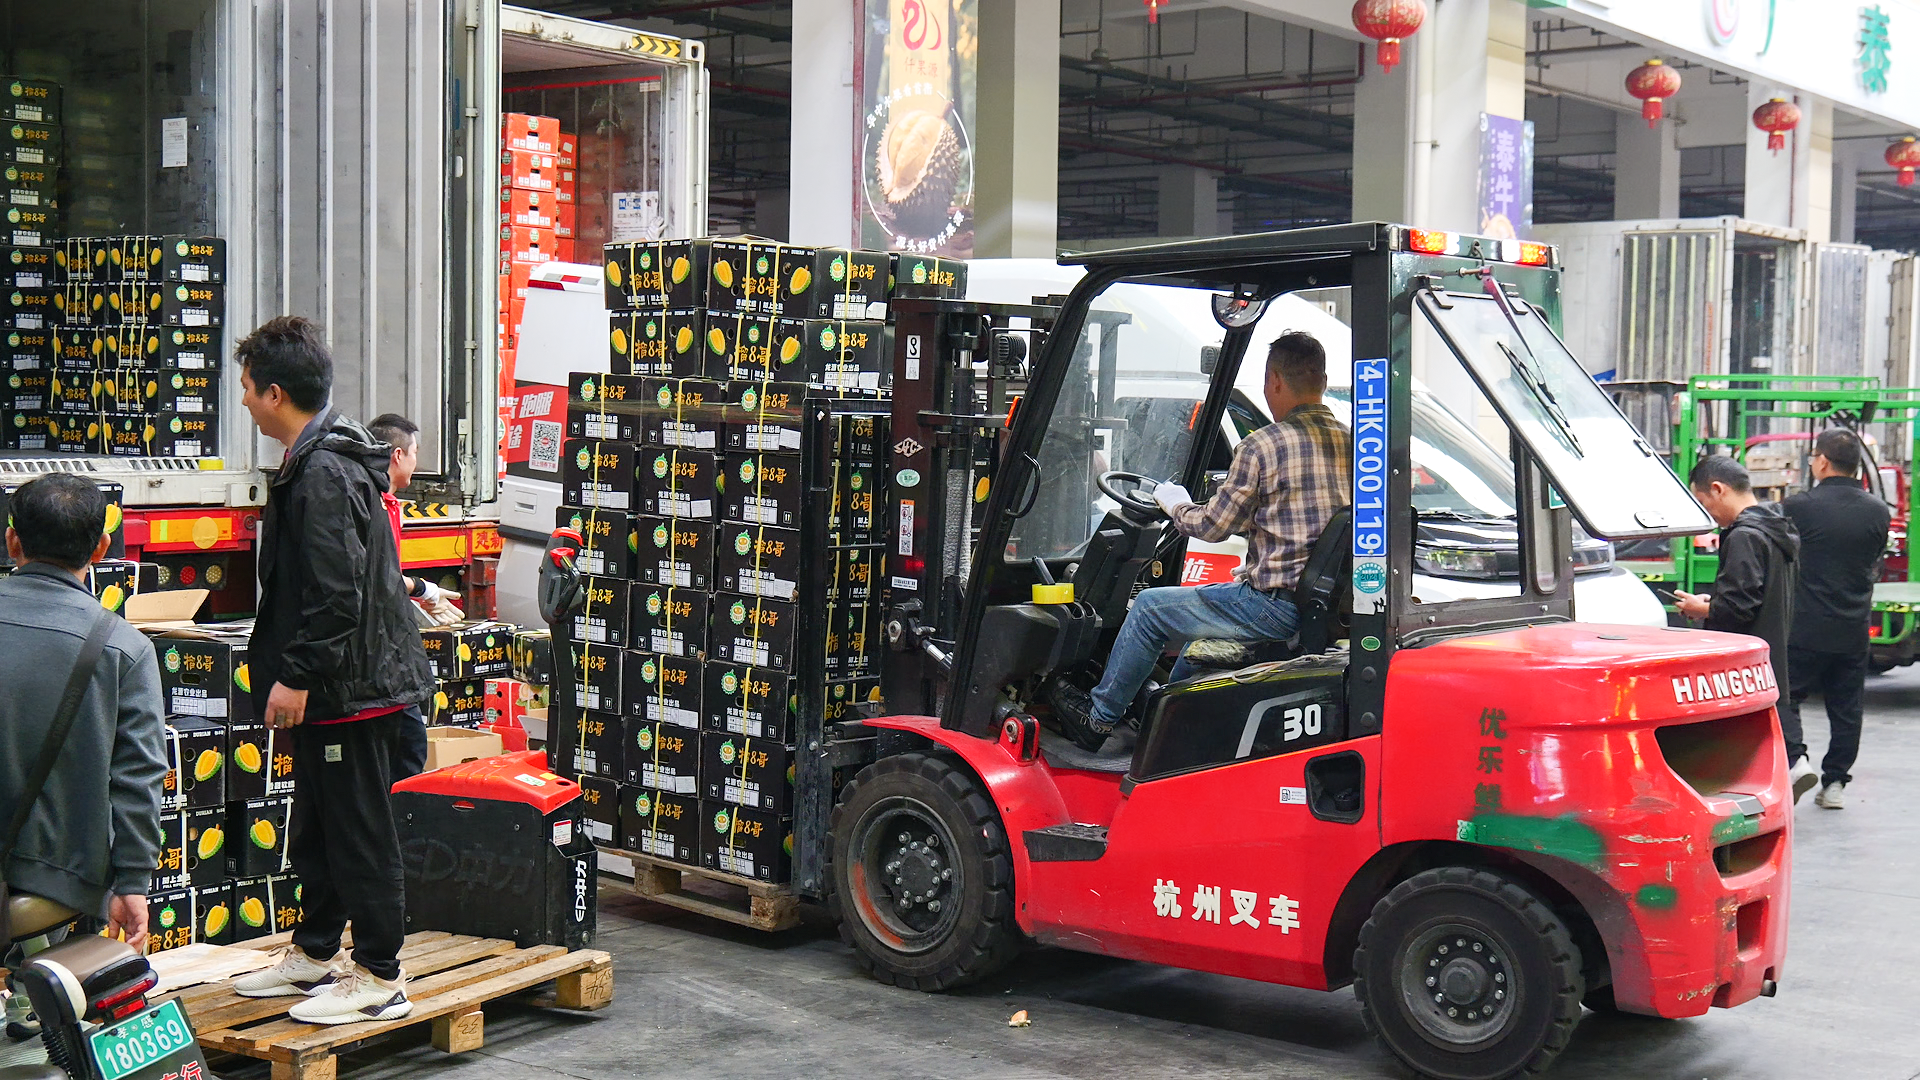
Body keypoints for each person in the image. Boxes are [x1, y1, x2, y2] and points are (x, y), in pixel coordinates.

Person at [226, 316, 435, 1025]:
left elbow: (337, 594)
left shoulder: (323, 472)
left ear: (276, 393)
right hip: (339, 688)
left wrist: (297, 676)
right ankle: (316, 951)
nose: (244, 401)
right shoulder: (319, 457)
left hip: (353, 690)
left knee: (358, 830)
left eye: (248, 388)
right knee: (318, 824)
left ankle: (380, 973)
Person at [1054, 332, 1352, 750]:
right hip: (1323, 608)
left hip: (1273, 607)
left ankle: (1097, 719)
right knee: (1194, 652)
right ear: (1322, 380)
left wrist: (1174, 504)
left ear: (1274, 381)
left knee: (1149, 608)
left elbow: (1213, 527)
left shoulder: (1263, 445)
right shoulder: (1354, 444)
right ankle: (1166, 727)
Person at [0, 475, 165, 951]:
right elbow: (139, 775)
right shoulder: (123, 647)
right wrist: (132, 881)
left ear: (12, 541)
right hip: (55, 877)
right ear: (101, 549)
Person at [1779, 429, 1890, 809]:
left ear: (1823, 461)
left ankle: (1797, 761)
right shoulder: (1878, 511)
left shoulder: (1798, 507)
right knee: (1847, 709)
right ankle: (1836, 783)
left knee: (1785, 697)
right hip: (1853, 626)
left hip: (1804, 625)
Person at [1674, 453, 1799, 747]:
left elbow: (1738, 609)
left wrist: (1701, 609)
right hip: (1769, 659)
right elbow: (1757, 594)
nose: (1708, 514)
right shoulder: (1777, 528)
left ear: (1718, 489)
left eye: (1704, 502)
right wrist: (1714, 601)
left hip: (1742, 669)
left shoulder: (1744, 536)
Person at [365, 413, 463, 627]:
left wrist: (420, 596)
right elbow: (376, 577)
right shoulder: (372, 504)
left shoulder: (389, 504)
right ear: (398, 455)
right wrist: (425, 590)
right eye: (415, 453)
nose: (416, 463)